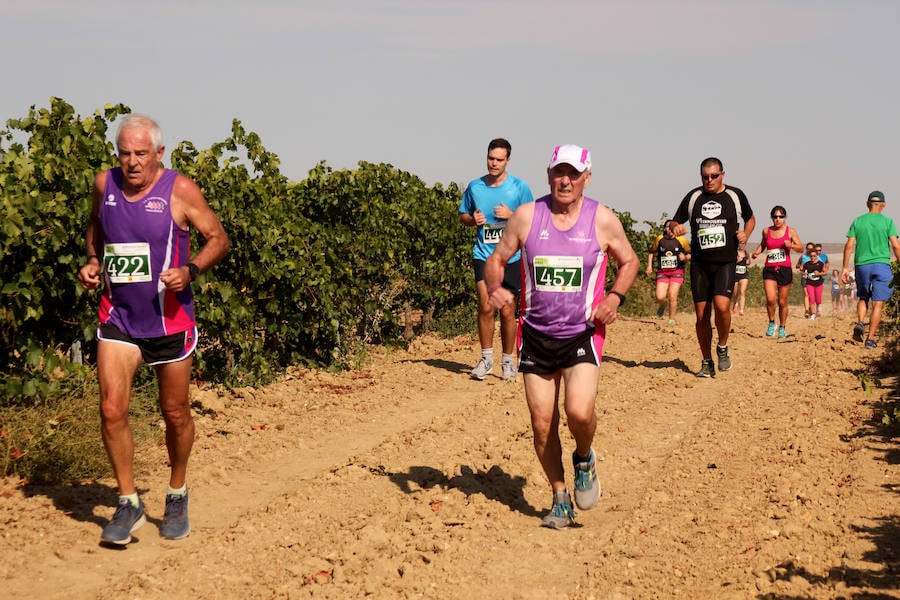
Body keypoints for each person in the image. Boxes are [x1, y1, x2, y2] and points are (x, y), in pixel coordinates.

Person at [77, 115, 230, 545]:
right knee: (111, 409)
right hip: (119, 316)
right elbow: (96, 233)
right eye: (124, 153)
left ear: (159, 153)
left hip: (169, 319)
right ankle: (129, 502)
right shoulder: (104, 185)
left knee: (175, 412)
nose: (132, 163)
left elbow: (218, 237)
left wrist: (190, 269)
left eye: (141, 154)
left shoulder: (179, 189)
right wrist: (92, 262)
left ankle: (177, 491)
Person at [484, 144, 638, 529]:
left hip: (582, 333)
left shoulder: (601, 219)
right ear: (549, 174)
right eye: (558, 172)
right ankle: (559, 497)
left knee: (579, 411)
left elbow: (630, 260)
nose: (565, 180)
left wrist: (615, 297)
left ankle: (584, 457)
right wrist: (495, 286)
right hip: (535, 334)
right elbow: (496, 259)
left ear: (586, 177)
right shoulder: (527, 216)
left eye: (573, 173)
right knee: (541, 423)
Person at [671, 157, 755, 378]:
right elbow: (673, 221)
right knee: (701, 315)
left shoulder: (735, 196)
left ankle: (723, 346)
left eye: (714, 176)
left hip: (725, 262)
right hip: (699, 264)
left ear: (723, 175)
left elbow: (751, 218)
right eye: (705, 177)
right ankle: (707, 361)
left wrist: (746, 234)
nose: (709, 180)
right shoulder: (694, 197)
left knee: (722, 307)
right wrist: (675, 227)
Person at [459, 138, 534, 380]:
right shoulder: (475, 187)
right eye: (491, 158)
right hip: (483, 255)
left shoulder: (519, 188)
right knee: (486, 306)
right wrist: (473, 219)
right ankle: (486, 359)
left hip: (510, 259)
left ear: (508, 161)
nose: (494, 163)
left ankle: (508, 362)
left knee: (507, 310)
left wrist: (512, 215)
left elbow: (533, 219)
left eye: (499, 160)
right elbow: (463, 215)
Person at [841, 190, 900, 349]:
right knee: (878, 303)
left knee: (863, 297)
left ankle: (860, 322)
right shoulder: (888, 222)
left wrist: (845, 268)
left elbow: (849, 245)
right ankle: (870, 339)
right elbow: (895, 245)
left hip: (862, 265)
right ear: (884, 205)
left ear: (867, 204)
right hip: (882, 265)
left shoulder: (858, 221)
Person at [750, 206, 802, 337]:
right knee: (770, 299)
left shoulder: (791, 232)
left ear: (785, 218)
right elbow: (763, 244)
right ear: (772, 217)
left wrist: (792, 245)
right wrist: (757, 252)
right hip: (770, 269)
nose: (778, 219)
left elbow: (801, 248)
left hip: (784, 269)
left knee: (782, 301)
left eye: (781, 217)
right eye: (775, 217)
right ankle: (772, 322)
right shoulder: (766, 231)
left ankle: (783, 327)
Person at [645, 219, 690, 324]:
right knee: (660, 296)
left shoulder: (682, 240)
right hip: (663, 272)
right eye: (667, 227)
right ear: (665, 228)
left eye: (672, 227)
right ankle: (662, 305)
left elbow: (691, 253)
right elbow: (651, 252)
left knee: (672, 295)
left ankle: (671, 319)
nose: (670, 229)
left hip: (677, 271)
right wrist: (649, 266)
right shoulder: (659, 239)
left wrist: (685, 257)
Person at [802, 248, 827, 319]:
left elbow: (825, 272)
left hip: (819, 284)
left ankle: (818, 309)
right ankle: (813, 314)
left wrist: (819, 273)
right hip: (809, 283)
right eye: (811, 256)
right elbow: (803, 272)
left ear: (817, 256)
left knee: (818, 299)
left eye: (814, 256)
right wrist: (804, 273)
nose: (812, 257)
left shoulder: (821, 264)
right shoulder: (807, 264)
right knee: (811, 299)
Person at [796, 242, 815, 317]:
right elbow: (797, 265)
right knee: (806, 294)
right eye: (808, 248)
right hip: (805, 277)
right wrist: (800, 266)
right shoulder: (803, 257)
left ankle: (812, 309)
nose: (809, 250)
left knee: (812, 295)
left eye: (811, 249)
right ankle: (807, 310)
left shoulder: (816, 257)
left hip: (814, 279)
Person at [731, 248, 749, 316]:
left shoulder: (746, 253)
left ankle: (741, 310)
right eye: (741, 243)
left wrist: (747, 261)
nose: (742, 245)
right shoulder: (734, 252)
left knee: (742, 292)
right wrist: (737, 260)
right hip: (735, 276)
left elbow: (748, 263)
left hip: (744, 275)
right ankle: (735, 303)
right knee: (735, 293)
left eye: (743, 244)